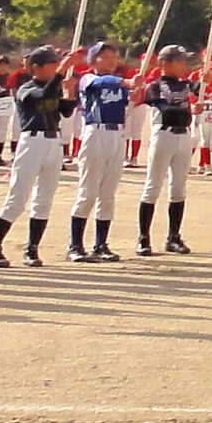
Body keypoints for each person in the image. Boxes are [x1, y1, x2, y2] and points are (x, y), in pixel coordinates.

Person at [0, 46, 79, 268]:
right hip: (32, 142)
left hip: (53, 142)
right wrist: (61, 74)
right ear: (37, 67)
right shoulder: (27, 88)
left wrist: (70, 91)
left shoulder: (53, 87)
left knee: (44, 199)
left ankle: (32, 249)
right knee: (17, 198)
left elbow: (65, 111)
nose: (55, 68)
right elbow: (42, 97)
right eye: (52, 64)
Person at [67, 42, 132, 262]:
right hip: (96, 132)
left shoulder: (120, 85)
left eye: (114, 56)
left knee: (108, 193)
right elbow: (102, 83)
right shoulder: (88, 78)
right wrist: (126, 81)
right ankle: (75, 245)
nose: (113, 60)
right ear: (94, 60)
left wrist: (135, 90)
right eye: (106, 56)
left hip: (117, 135)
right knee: (88, 192)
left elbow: (129, 104)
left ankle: (101, 244)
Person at [135, 44, 198, 256]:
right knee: (153, 186)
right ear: (165, 63)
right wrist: (188, 107)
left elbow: (203, 89)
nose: (184, 65)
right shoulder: (155, 86)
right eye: (180, 61)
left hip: (183, 136)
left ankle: (174, 236)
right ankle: (144, 237)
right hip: (164, 134)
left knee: (178, 188)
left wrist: (204, 84)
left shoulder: (187, 84)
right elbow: (167, 110)